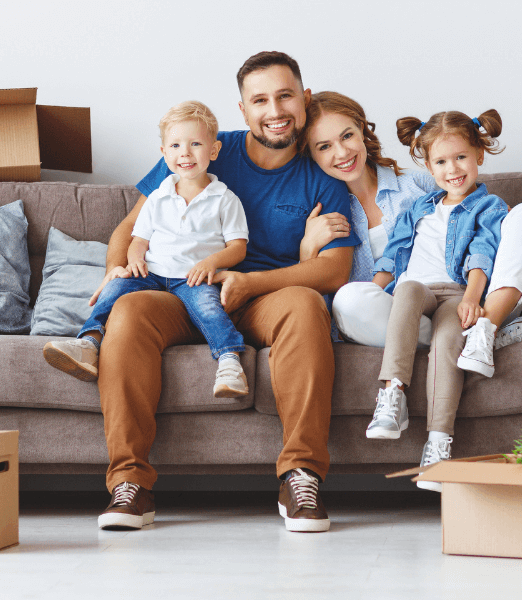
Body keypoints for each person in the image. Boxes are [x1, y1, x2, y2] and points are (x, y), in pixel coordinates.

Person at [80, 52, 359, 533]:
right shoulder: (204, 148)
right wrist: (116, 269)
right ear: (243, 109)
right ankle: (130, 484)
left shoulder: (321, 172)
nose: (275, 110)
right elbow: (131, 227)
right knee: (127, 311)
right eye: (260, 100)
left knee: (305, 304)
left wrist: (250, 282)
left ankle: (301, 475)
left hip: (264, 300)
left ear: (304, 97)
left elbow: (335, 269)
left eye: (285, 95)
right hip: (179, 292)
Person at [300, 93, 522, 460]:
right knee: (350, 300)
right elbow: (375, 270)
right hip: (401, 312)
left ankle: (485, 327)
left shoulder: (418, 188)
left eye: (347, 136)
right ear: (311, 154)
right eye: (324, 146)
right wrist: (309, 248)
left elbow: (471, 221)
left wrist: (502, 222)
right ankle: (472, 343)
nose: (341, 152)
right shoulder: (321, 207)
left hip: (461, 299)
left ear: (363, 131)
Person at [43, 101, 251, 398]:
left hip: (193, 278)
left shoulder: (225, 199)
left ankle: (230, 363)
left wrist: (212, 262)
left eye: (195, 144)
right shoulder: (158, 196)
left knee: (210, 309)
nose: (185, 153)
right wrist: (133, 259)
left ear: (214, 151)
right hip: (151, 273)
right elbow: (138, 238)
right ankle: (88, 343)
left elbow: (238, 248)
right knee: (114, 288)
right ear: (164, 153)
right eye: (176, 145)